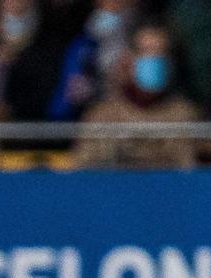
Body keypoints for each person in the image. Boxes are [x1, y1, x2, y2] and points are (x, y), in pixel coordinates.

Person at [73, 21, 202, 169]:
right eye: (145, 52)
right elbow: (84, 170)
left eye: (159, 53)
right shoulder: (102, 115)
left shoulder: (183, 114)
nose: (152, 60)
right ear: (128, 59)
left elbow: (188, 172)